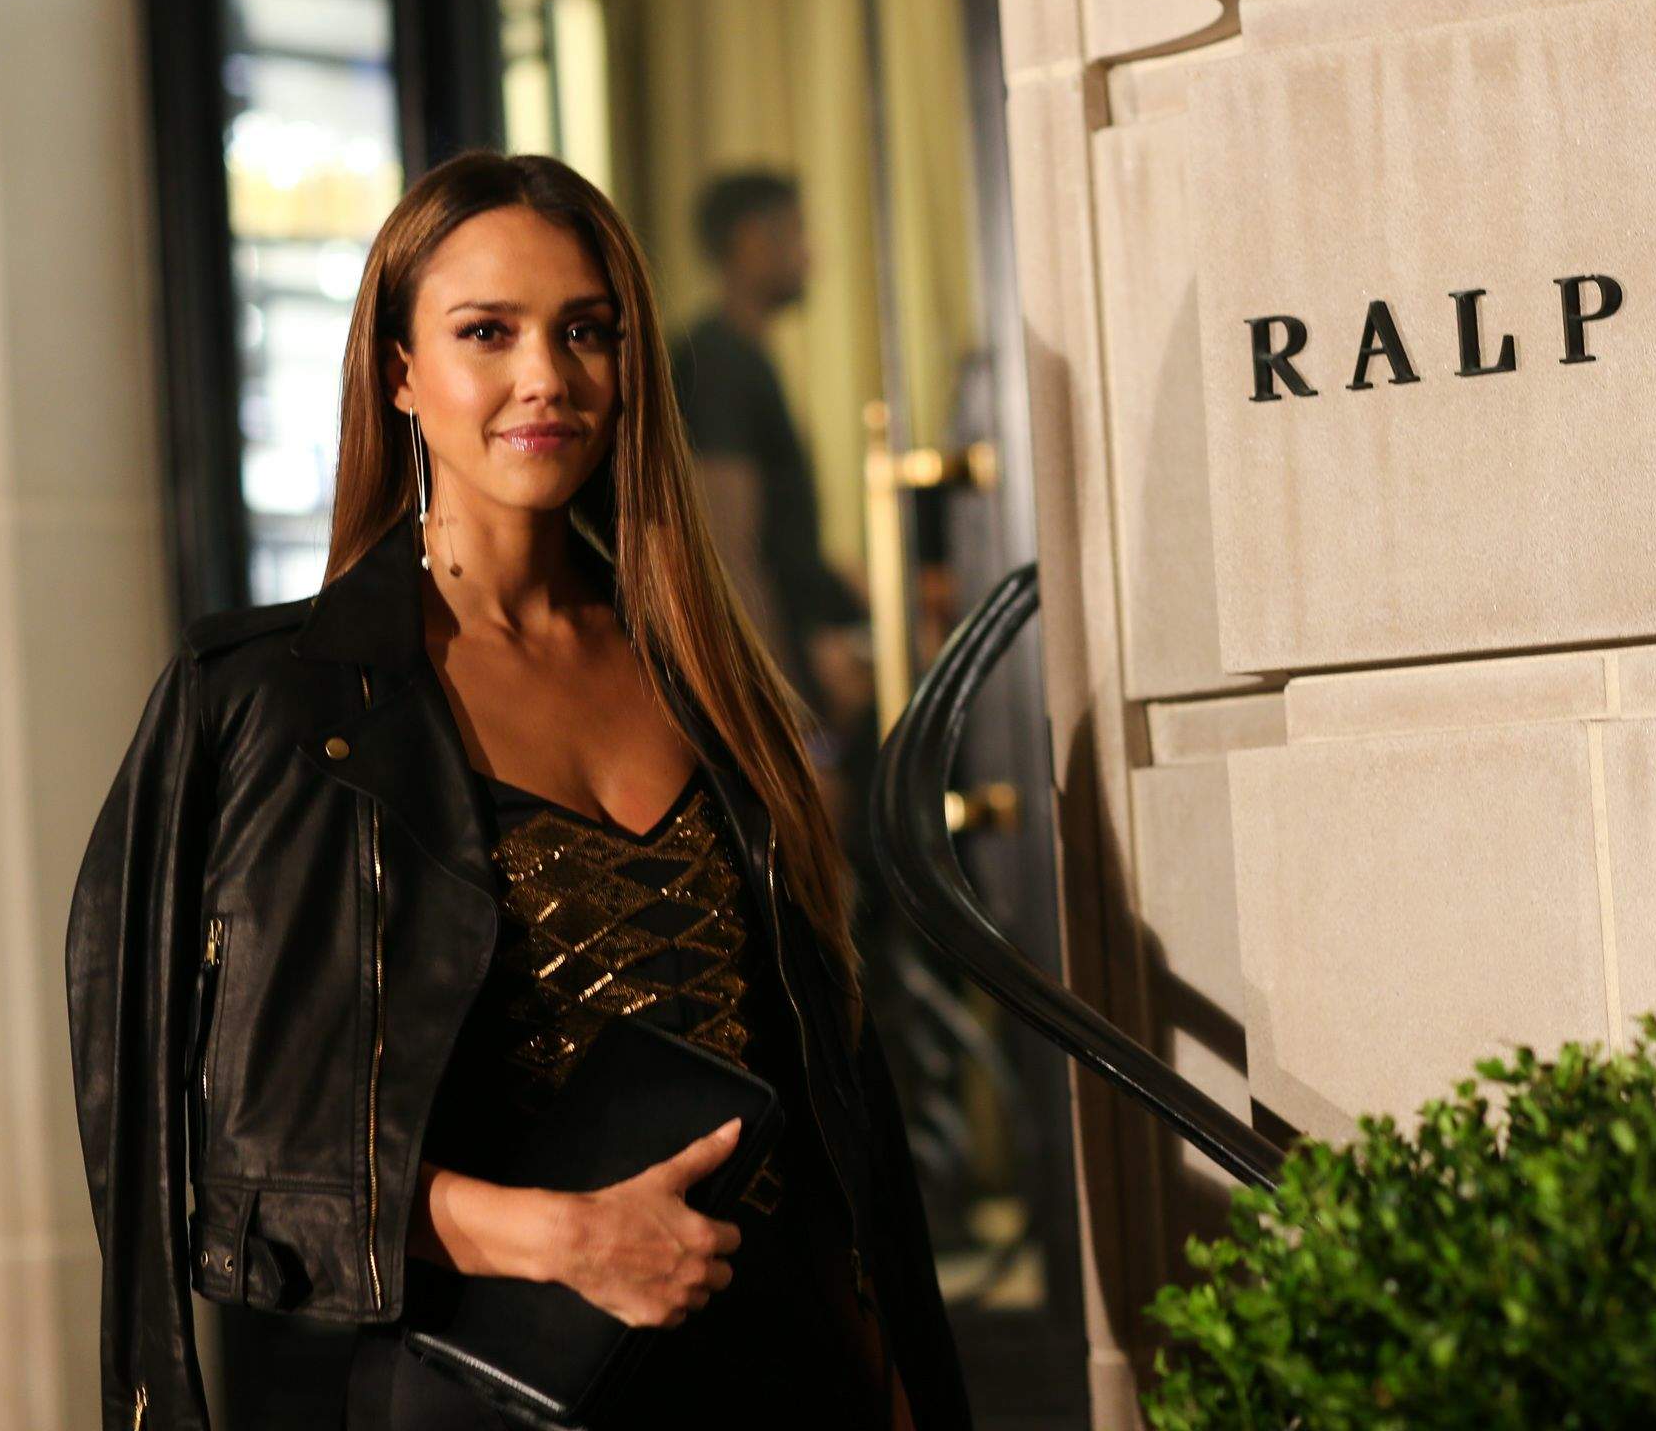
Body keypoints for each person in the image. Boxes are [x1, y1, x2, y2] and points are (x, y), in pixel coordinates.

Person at [61, 151, 973, 1430]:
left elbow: (822, 1091)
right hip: (502, 1391)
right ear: (400, 373)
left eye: (585, 331)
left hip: (785, 1376)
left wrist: (887, 1372)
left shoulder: (710, 676)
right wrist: (554, 1239)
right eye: (486, 332)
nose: (545, 376)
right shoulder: (290, 700)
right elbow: (238, 1169)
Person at [668, 170, 874, 753]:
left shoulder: (743, 358)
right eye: (798, 233)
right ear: (752, 241)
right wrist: (787, 719)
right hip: (777, 685)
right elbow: (730, 549)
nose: (810, 254)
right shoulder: (720, 365)